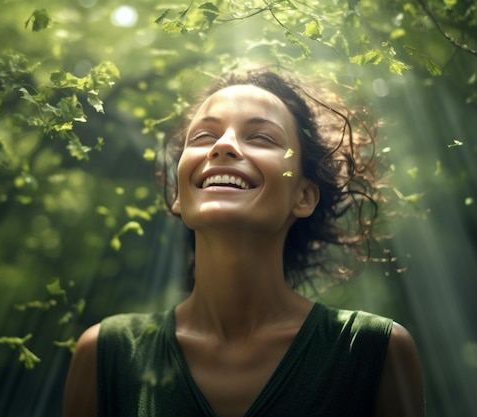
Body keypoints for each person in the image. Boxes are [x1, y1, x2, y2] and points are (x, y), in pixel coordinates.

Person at [63, 68, 424, 417]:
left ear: (304, 195)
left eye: (262, 138)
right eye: (203, 136)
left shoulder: (373, 351)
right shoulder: (105, 354)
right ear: (177, 194)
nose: (222, 146)